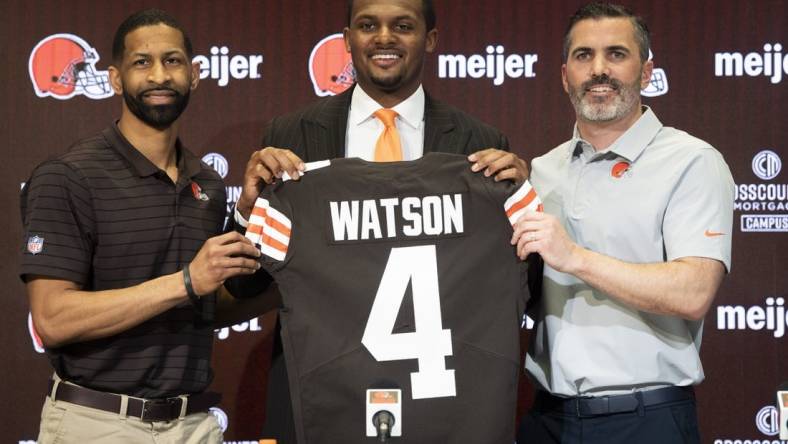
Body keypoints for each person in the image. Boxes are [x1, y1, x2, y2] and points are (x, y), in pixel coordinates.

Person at [224, 0, 529, 440]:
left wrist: (518, 204)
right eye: (368, 25)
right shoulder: (290, 138)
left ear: (431, 39)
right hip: (327, 395)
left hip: (444, 400)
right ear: (347, 40)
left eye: (402, 25)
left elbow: (514, 286)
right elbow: (245, 286)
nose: (384, 37)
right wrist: (249, 211)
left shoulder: (479, 144)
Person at [20, 9, 260, 443]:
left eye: (172, 61)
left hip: (194, 424)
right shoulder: (68, 176)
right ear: (114, 79)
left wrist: (254, 225)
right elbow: (53, 318)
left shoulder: (204, 181)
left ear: (195, 74)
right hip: (96, 423)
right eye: (141, 62)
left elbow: (206, 305)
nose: (159, 76)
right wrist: (187, 280)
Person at [511, 3, 734, 443]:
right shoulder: (542, 170)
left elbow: (693, 292)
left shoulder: (692, 161)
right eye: (583, 56)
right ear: (564, 77)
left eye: (616, 54)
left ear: (647, 72)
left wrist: (573, 257)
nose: (599, 70)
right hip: (548, 417)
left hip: (645, 419)